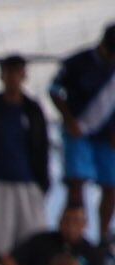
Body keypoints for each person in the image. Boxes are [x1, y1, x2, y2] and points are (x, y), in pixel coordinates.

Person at [0, 56, 51, 261]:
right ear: (2, 76)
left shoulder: (32, 110)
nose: (13, 78)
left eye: (17, 72)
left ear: (24, 75)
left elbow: (42, 148)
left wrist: (42, 184)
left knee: (32, 244)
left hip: (28, 182)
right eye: (9, 72)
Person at [49, 23, 115, 241]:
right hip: (80, 131)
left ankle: (103, 236)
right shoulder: (78, 62)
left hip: (108, 137)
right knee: (76, 182)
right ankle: (75, 233)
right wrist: (69, 119)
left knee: (111, 185)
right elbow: (54, 90)